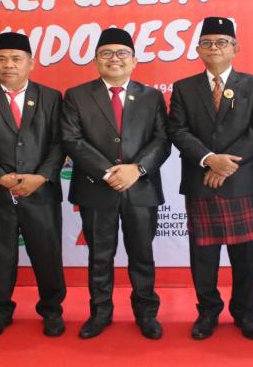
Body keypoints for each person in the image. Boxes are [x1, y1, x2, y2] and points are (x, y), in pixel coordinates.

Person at [168, 17, 253, 340]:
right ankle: (207, 312)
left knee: (246, 257)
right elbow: (177, 130)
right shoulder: (184, 88)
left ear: (235, 48)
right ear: (199, 49)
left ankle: (245, 313)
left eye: (222, 42)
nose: (214, 48)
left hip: (241, 182)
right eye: (207, 43)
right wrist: (208, 160)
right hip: (201, 181)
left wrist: (225, 165)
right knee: (203, 256)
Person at [61, 28, 170, 339]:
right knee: (99, 256)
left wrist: (137, 169)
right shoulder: (77, 96)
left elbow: (162, 140)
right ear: (96, 60)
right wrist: (108, 173)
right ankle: (100, 313)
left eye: (122, 53)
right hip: (96, 188)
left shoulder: (151, 97)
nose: (114, 59)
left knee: (142, 255)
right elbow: (71, 139)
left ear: (134, 61)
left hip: (141, 188)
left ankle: (146, 313)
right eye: (106, 53)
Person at [0, 32, 66, 339]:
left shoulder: (51, 97)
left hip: (40, 191)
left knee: (47, 254)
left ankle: (52, 310)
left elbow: (60, 142)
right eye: (2, 59)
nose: (9, 65)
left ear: (31, 63)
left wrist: (41, 176)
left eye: (17, 59)